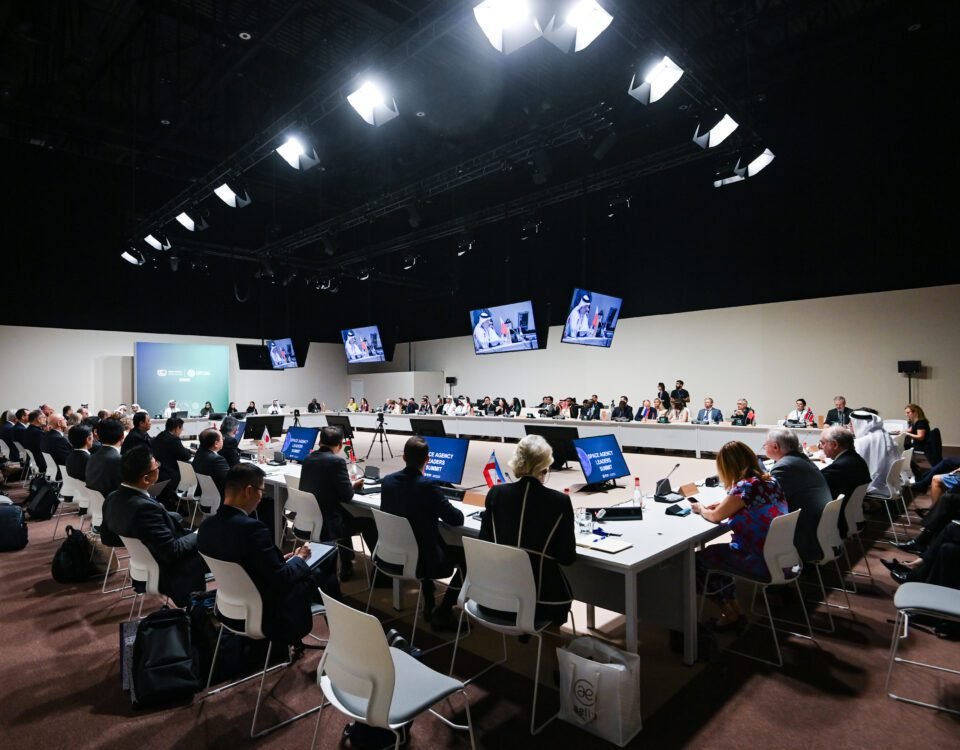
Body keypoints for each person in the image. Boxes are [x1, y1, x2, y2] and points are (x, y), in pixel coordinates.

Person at [198, 463, 339, 646]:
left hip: (229, 608)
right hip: (267, 611)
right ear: (248, 491)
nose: (261, 497)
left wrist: (284, 560)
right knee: (323, 566)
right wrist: (300, 558)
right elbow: (281, 578)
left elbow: (249, 563)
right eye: (261, 491)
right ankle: (339, 633)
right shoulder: (252, 529)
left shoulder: (206, 527)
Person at [479, 435, 576, 625]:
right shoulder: (559, 502)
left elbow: (485, 540)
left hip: (495, 596)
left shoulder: (496, 494)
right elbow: (567, 557)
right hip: (543, 602)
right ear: (545, 466)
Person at [692, 441, 788, 629]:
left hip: (756, 559)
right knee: (715, 556)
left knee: (696, 563)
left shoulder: (744, 487)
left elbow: (715, 517)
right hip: (779, 556)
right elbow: (753, 505)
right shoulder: (770, 481)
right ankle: (734, 611)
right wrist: (724, 503)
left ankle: (731, 613)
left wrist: (701, 509)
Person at [379, 437, 465, 631]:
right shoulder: (428, 486)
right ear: (428, 459)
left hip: (396, 554)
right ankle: (443, 612)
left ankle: (429, 596)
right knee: (467, 558)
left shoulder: (388, 482)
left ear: (403, 457)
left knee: (424, 539)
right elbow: (456, 519)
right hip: (424, 560)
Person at [102, 447, 206, 606]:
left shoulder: (112, 498)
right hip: (166, 570)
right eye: (156, 466)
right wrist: (199, 533)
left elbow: (109, 537)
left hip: (142, 563)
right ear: (145, 478)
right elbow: (173, 551)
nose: (158, 467)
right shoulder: (144, 509)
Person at [299, 426, 379, 581]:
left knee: (344, 514)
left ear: (320, 441)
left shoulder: (308, 458)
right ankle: (380, 571)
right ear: (340, 445)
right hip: (327, 525)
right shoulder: (337, 461)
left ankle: (347, 564)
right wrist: (352, 485)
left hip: (309, 519)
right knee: (368, 522)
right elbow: (347, 496)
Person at [764, 429, 831, 562]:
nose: (764, 447)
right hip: (819, 529)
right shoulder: (801, 459)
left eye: (765, 444)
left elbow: (769, 501)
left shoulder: (784, 466)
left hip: (802, 534)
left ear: (775, 446)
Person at [819, 426, 872, 537]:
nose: (820, 447)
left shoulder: (838, 468)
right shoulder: (856, 459)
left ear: (834, 445)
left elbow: (818, 489)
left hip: (838, 522)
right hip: (853, 516)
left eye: (822, 443)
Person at [850, 409, 899, 500]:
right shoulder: (883, 434)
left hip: (873, 484)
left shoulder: (862, 441)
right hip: (890, 482)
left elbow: (851, 462)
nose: (850, 426)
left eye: (851, 423)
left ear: (859, 424)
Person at [152, 417, 193, 506]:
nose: (182, 430)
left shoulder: (160, 435)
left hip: (160, 471)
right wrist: (190, 451)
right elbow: (186, 456)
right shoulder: (174, 440)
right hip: (171, 474)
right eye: (181, 428)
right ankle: (182, 501)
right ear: (177, 428)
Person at [86, 418, 125, 500]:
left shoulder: (92, 456)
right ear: (122, 436)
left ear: (98, 435)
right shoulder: (119, 460)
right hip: (113, 504)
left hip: (95, 504)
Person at [192, 428, 230, 499]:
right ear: (216, 444)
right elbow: (229, 481)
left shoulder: (199, 453)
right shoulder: (217, 460)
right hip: (218, 497)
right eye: (222, 439)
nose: (223, 440)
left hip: (203, 493)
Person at [21, 409, 48, 475]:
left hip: (34, 461)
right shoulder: (37, 433)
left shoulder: (28, 430)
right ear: (38, 419)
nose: (46, 419)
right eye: (44, 417)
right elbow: (44, 449)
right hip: (41, 462)